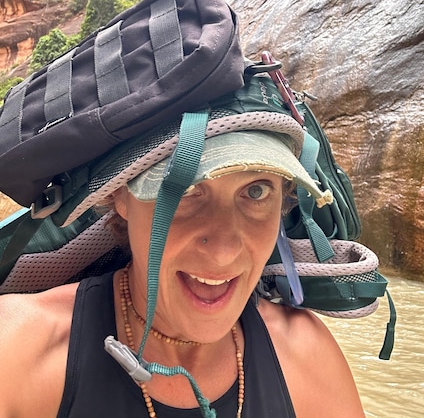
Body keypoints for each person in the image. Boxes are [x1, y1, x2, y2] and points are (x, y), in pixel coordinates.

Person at [0, 71, 365, 418]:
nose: (224, 251)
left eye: (256, 191)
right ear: (119, 197)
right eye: (184, 189)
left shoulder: (305, 356)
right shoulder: (18, 348)